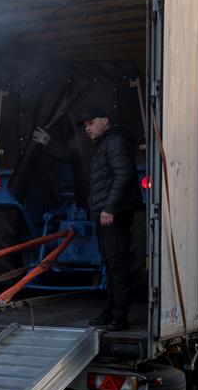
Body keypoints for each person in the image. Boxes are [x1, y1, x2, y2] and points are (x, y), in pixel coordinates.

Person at [33, 109, 141, 330]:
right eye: (85, 125)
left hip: (113, 213)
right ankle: (111, 311)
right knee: (110, 263)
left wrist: (109, 208)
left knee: (117, 264)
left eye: (91, 123)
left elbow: (123, 175)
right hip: (104, 212)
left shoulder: (115, 142)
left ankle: (119, 316)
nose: (88, 128)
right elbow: (75, 157)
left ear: (105, 120)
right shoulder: (104, 144)